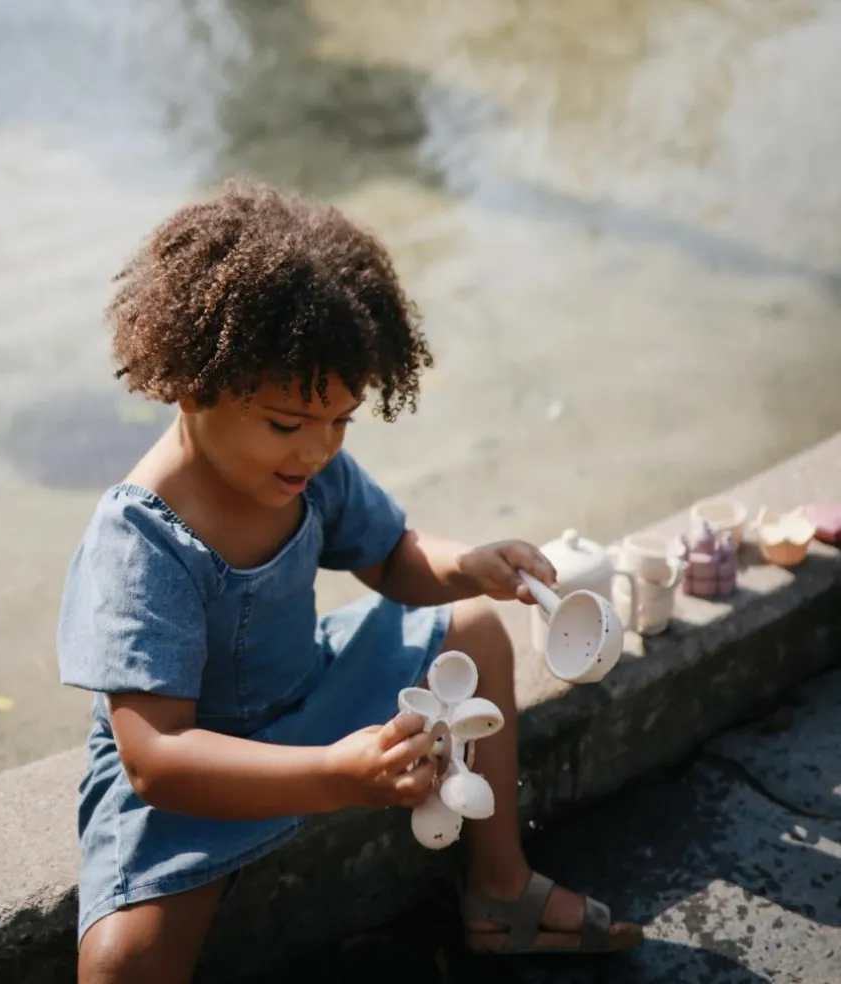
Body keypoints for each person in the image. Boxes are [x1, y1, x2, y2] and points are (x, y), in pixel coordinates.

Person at [57, 181, 643, 983]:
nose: (318, 450)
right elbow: (156, 758)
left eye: (341, 421)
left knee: (471, 625)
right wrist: (336, 776)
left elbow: (392, 555)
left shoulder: (307, 470)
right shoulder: (142, 540)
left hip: (311, 694)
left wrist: (467, 564)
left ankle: (500, 888)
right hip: (204, 767)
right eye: (289, 425)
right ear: (196, 386)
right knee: (124, 962)